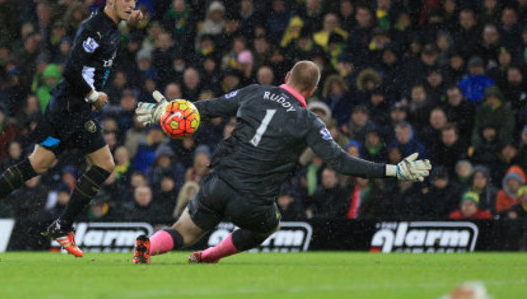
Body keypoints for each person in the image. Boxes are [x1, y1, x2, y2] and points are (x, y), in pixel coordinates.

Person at [132, 60, 431, 264]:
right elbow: (341, 162)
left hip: (218, 182)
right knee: (269, 225)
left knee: (183, 231)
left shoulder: (254, 92)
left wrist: (166, 111)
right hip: (253, 199)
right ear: (312, 91)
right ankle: (212, 255)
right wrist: (395, 170)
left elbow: (205, 109)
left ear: (286, 77)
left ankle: (150, 245)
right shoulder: (309, 121)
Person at [0, 0, 143, 258]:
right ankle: (63, 225)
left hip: (67, 106)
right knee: (104, 164)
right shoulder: (94, 30)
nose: (132, 4)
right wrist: (93, 95)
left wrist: (131, 19)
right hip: (74, 107)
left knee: (38, 163)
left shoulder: (110, 26)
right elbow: (71, 70)